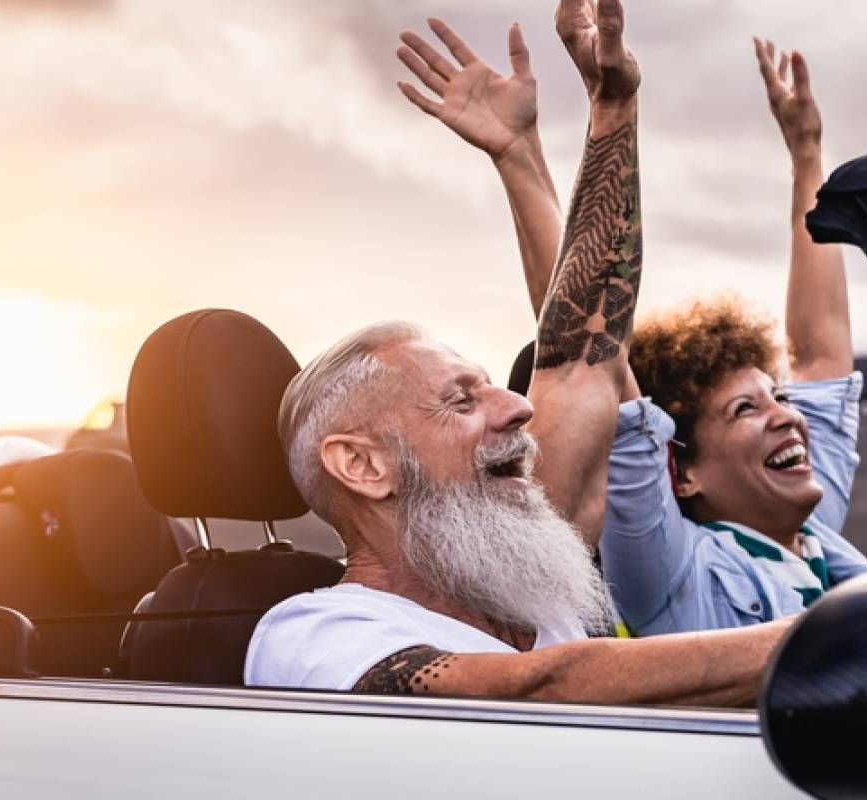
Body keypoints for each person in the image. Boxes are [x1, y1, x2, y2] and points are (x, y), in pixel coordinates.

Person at [409, 25, 867, 635]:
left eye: (779, 397)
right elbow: (589, 345)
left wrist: (807, 157)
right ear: (681, 473)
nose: (786, 417)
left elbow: (819, 351)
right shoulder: (671, 567)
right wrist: (521, 157)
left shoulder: (811, 531)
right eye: (745, 409)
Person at [246, 0, 790, 706]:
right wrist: (855, 626)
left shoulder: (529, 591)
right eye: (461, 399)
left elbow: (586, 352)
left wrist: (611, 112)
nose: (518, 405)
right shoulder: (315, 634)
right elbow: (545, 691)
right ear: (363, 464)